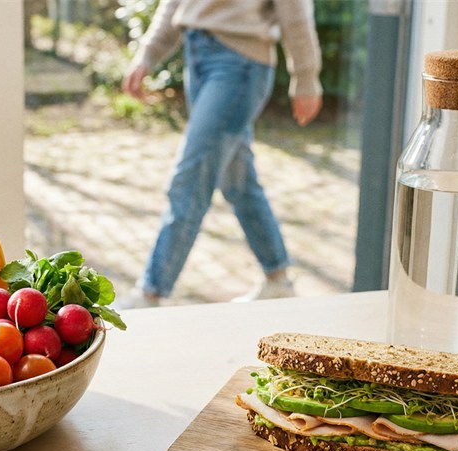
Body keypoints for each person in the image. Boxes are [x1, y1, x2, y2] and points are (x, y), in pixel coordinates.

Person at [118, 0, 323, 308]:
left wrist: (306, 77)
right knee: (238, 180)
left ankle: (150, 293)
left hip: (240, 64)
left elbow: (295, 9)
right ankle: (278, 279)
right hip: (196, 54)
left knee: (190, 178)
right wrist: (148, 54)